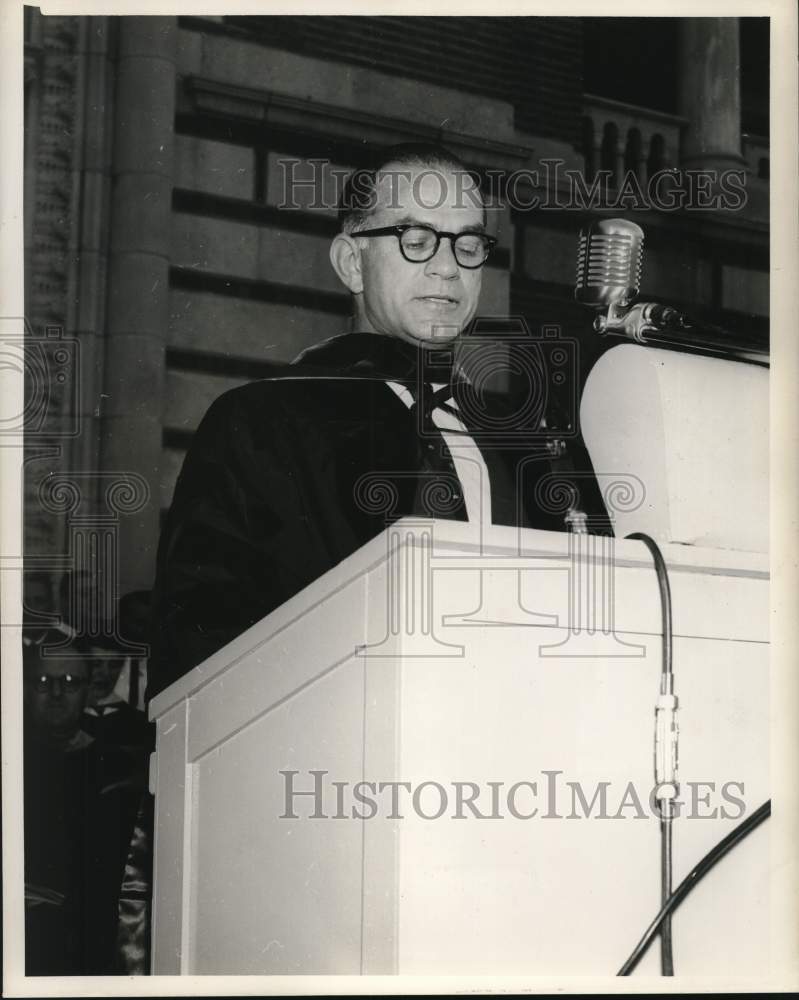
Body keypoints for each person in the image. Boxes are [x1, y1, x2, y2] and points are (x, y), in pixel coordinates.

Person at [148, 143, 599, 698]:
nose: (447, 267)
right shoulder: (261, 425)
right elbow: (195, 654)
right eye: (416, 240)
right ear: (351, 262)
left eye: (468, 245)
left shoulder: (532, 440)